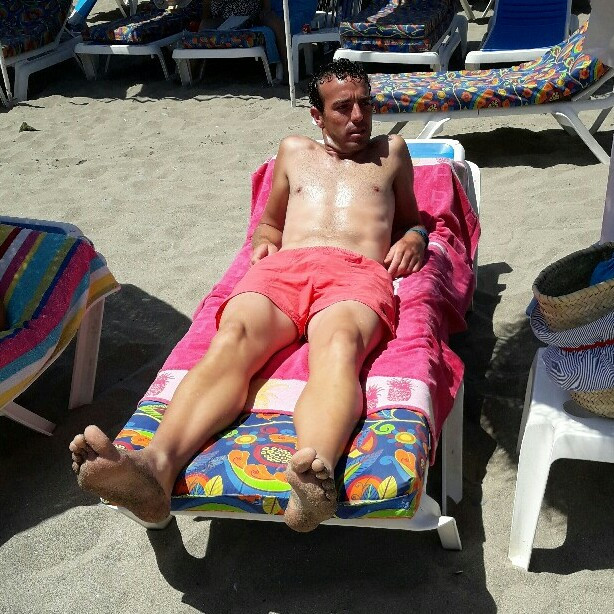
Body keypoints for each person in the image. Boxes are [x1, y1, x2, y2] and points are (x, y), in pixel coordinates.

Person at [69, 59, 429, 533]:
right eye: (343, 108)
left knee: (339, 347)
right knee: (232, 338)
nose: (359, 117)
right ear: (317, 116)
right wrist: (263, 238)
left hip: (354, 273)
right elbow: (270, 223)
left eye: (366, 104)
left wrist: (415, 237)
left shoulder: (392, 152)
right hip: (284, 269)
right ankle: (154, 469)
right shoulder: (293, 151)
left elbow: (412, 219)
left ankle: (313, 475)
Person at [259, 0, 318, 81]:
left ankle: (287, 68)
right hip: (277, 11)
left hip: (298, 9)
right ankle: (287, 68)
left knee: (286, 26)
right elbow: (266, 9)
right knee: (275, 21)